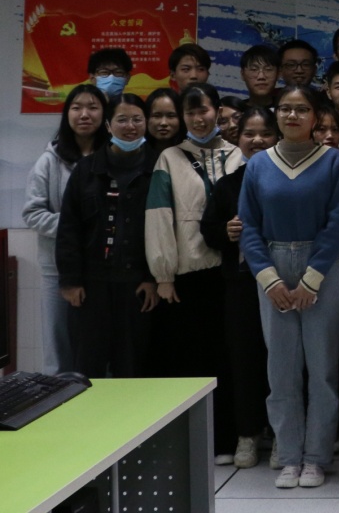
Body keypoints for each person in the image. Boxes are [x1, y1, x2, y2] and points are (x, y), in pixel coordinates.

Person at [239, 85, 339, 489]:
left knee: (321, 369)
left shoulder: (333, 161)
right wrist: (269, 279)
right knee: (281, 371)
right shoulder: (259, 165)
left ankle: (316, 458)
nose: (292, 116)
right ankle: (289, 456)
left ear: (314, 116)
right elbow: (248, 226)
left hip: (321, 266)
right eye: (285, 109)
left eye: (301, 109)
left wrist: (311, 279)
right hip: (273, 266)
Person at [146, 82, 243, 464]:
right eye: (190, 112)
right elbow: (159, 217)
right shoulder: (168, 158)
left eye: (204, 110)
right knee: (192, 358)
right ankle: (196, 441)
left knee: (230, 357)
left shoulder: (238, 154)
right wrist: (164, 274)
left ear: (217, 110)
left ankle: (230, 438)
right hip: (189, 273)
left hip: (232, 271)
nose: (198, 118)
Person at [56, 94, 160, 377]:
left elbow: (165, 230)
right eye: (122, 119)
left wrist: (153, 278)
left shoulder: (159, 168)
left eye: (137, 119)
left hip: (137, 286)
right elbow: (69, 229)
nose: (130, 126)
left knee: (132, 369)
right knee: (87, 369)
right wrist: (70, 281)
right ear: (108, 125)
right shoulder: (87, 169)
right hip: (91, 287)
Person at [200, 106, 280, 469]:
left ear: (278, 137)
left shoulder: (291, 179)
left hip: (284, 284)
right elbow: (208, 230)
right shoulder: (228, 184)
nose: (257, 140)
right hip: (242, 285)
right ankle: (248, 434)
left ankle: (281, 434)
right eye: (249, 133)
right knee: (244, 360)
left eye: (265, 133)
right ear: (238, 138)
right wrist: (225, 232)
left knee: (281, 362)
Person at [23, 85, 110, 375]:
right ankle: (57, 396)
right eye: (77, 107)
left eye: (93, 107)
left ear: (104, 114)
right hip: (57, 268)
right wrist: (76, 226)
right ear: (66, 114)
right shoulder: (49, 160)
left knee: (100, 345)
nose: (85, 114)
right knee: (59, 345)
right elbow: (33, 214)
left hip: (104, 268)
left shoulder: (111, 157)